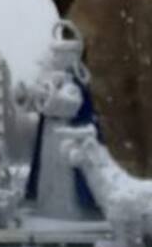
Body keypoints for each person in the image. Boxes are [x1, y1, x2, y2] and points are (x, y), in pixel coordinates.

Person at [16, 18, 102, 220]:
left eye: (58, 54)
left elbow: (68, 105)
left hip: (67, 134)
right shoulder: (51, 79)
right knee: (50, 174)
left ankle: (68, 209)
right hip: (50, 136)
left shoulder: (75, 82)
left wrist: (47, 97)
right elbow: (36, 101)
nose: (53, 58)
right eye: (54, 54)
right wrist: (25, 94)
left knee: (66, 176)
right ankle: (48, 206)